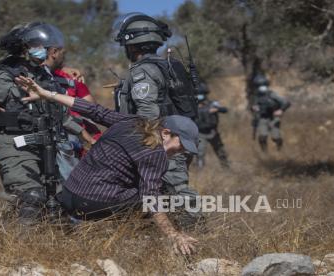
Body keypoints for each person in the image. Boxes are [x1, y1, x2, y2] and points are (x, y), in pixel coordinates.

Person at [16, 75, 199, 256]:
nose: (181, 151)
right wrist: (173, 234)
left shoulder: (132, 122)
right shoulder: (155, 154)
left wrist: (48, 94)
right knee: (165, 196)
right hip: (92, 203)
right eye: (181, 145)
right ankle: (144, 250)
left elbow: (93, 110)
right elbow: (150, 197)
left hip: (69, 193)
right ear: (166, 133)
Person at [0, 22, 83, 222]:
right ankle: (18, 246)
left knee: (59, 201)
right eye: (38, 48)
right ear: (25, 50)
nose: (46, 53)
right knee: (30, 197)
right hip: (15, 144)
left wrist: (86, 137)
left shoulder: (43, 77)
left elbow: (61, 114)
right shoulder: (6, 74)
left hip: (45, 145)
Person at [112, 12, 200, 226]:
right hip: (176, 137)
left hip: (160, 142)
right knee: (163, 192)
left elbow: (147, 111)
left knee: (178, 192)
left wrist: (148, 147)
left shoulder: (144, 71)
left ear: (132, 45)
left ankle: (197, 235)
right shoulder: (171, 66)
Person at [251, 74, 291, 152]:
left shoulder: (272, 94)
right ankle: (265, 153)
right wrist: (254, 108)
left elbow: (286, 103)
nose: (261, 87)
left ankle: (280, 150)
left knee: (275, 137)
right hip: (262, 118)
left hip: (273, 118)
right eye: (259, 85)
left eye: (262, 85)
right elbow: (254, 106)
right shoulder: (256, 96)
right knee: (262, 137)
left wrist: (281, 110)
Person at [195, 82, 229, 169]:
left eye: (201, 94)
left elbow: (225, 110)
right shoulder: (192, 106)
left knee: (221, 152)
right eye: (198, 94)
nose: (200, 96)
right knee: (200, 153)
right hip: (200, 133)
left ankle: (226, 168)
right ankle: (200, 172)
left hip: (213, 132)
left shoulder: (213, 104)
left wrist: (217, 109)